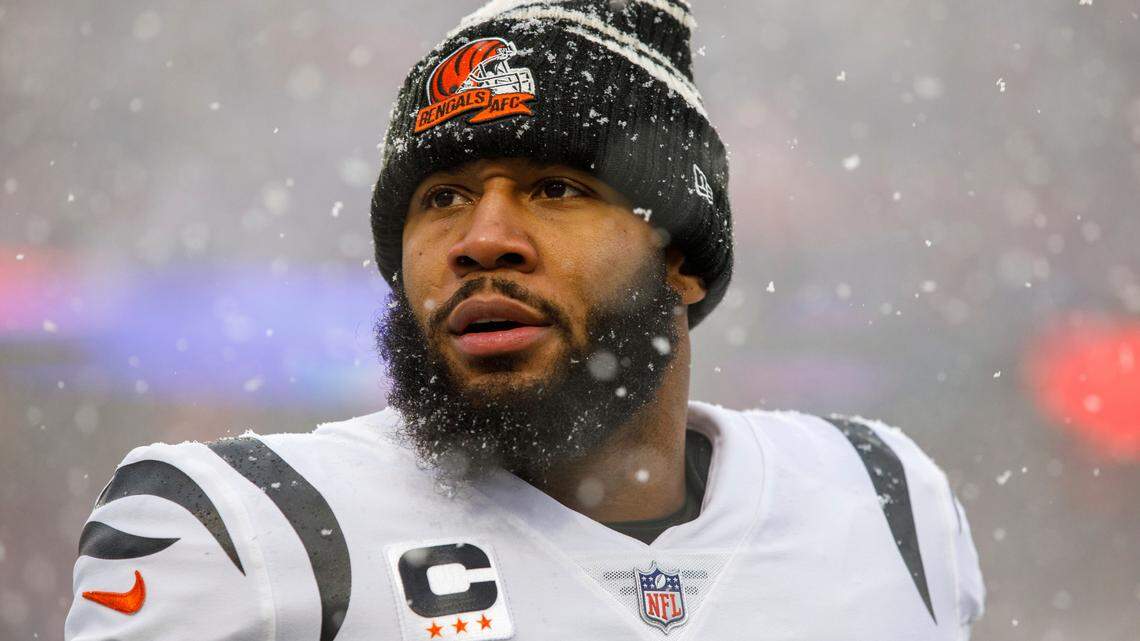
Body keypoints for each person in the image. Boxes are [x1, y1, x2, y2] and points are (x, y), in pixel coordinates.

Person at [65, 1, 985, 639]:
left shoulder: (886, 500)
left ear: (683, 259)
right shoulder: (246, 529)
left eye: (556, 188)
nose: (483, 239)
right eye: (444, 198)